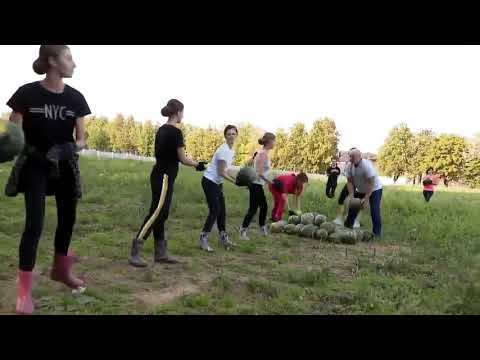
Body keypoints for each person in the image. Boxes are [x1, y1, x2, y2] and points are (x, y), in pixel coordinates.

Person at [6, 45, 91, 314]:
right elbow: (12, 131)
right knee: (35, 224)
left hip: (65, 163)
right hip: (35, 164)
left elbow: (81, 139)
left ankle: (61, 271)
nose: (74, 63)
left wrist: (72, 148)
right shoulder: (26, 93)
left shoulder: (76, 98)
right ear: (53, 61)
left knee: (68, 220)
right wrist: (5, 144)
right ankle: (23, 295)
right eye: (68, 57)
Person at [129, 99, 206, 267]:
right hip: (164, 177)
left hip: (159, 174)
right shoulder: (175, 132)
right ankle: (135, 250)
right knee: (157, 213)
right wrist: (197, 164)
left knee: (161, 213)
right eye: (182, 112)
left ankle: (160, 253)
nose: (183, 115)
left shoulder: (161, 130)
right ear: (178, 112)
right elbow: (183, 158)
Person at [199, 125, 239, 252]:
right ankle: (203, 237)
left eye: (233, 133)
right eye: (229, 134)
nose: (231, 136)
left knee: (222, 210)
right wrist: (235, 181)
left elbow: (226, 170)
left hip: (217, 183)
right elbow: (221, 172)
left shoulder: (232, 150)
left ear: (236, 135)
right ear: (225, 136)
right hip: (209, 181)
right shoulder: (223, 150)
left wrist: (238, 178)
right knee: (215, 209)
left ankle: (223, 237)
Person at [240, 132, 276, 240]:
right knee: (256, 208)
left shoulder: (262, 153)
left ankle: (260, 227)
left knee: (258, 207)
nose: (275, 143)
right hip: (256, 185)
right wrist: (270, 182)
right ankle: (245, 230)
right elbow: (259, 173)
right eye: (274, 141)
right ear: (269, 142)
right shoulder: (263, 154)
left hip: (257, 184)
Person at [344, 148, 383, 238]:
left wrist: (366, 200)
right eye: (350, 156)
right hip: (360, 189)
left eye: (353, 156)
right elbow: (349, 182)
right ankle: (348, 226)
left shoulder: (366, 166)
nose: (351, 158)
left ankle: (377, 234)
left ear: (359, 156)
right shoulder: (349, 166)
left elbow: (371, 184)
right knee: (353, 207)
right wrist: (351, 196)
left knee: (374, 210)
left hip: (375, 189)